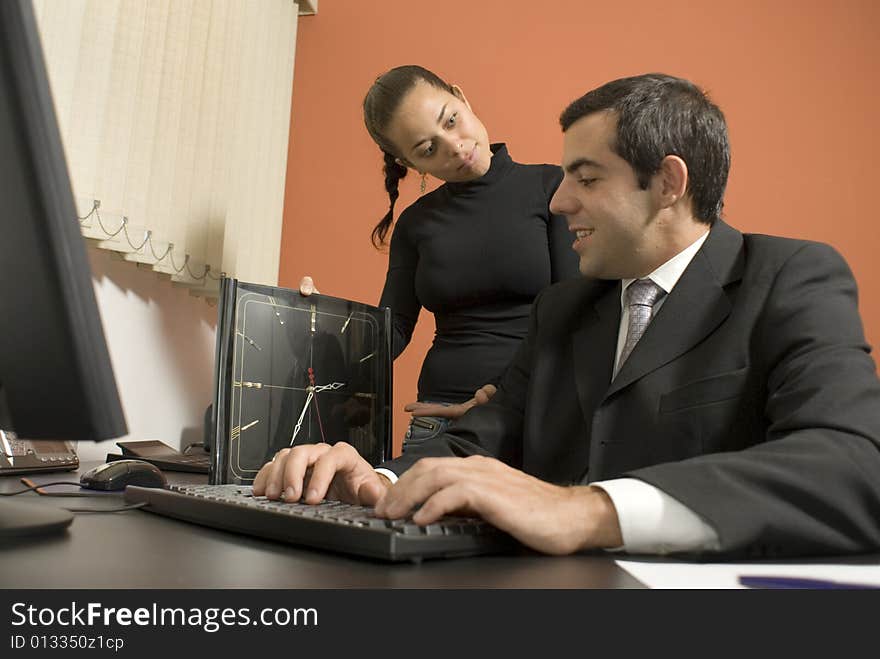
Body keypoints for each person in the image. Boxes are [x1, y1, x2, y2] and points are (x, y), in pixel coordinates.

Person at [256, 73, 880, 559]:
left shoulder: (791, 277)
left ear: (667, 183)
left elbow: (853, 466)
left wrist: (588, 510)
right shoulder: (564, 309)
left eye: (583, 177)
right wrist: (380, 477)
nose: (557, 200)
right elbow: (482, 438)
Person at [299, 65, 579, 451]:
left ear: (461, 97)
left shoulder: (553, 188)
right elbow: (391, 331)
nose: (455, 146)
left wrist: (502, 395)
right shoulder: (416, 224)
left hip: (531, 412)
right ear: (411, 165)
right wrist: (317, 322)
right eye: (428, 149)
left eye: (451, 120)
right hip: (440, 424)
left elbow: (572, 312)